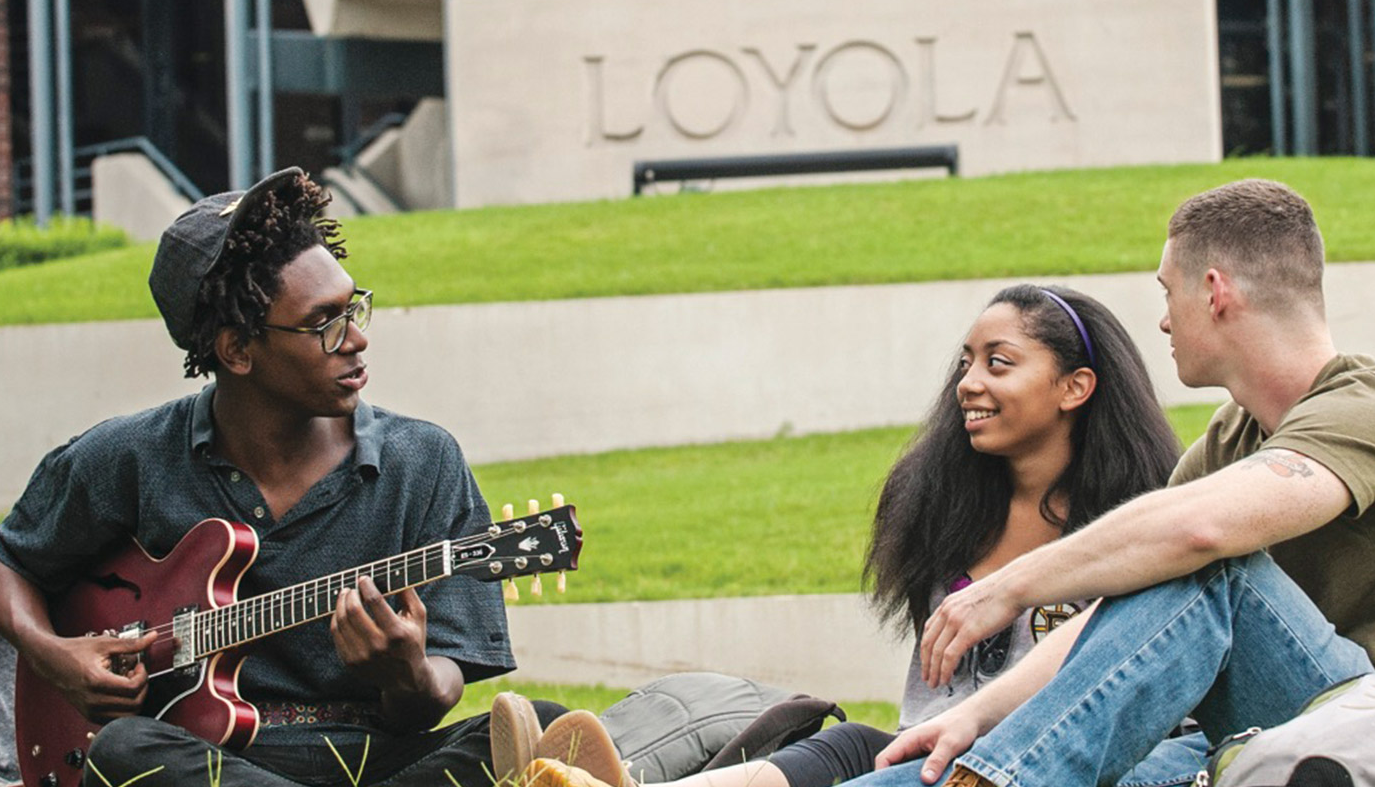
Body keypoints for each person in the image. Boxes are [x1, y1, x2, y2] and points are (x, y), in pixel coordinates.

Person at [855, 178, 1375, 787]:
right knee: (992, 754)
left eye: (1168, 293)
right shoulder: (1231, 439)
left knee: (1211, 567)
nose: (1164, 321)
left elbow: (1201, 537)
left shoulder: (1374, 407)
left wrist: (1008, 588)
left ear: (1215, 292)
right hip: (1279, 735)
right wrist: (979, 715)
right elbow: (1123, 615)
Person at [0, 167, 562, 787]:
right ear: (237, 350)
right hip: (207, 762)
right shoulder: (133, 455)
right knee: (123, 750)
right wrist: (55, 656)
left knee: (546, 729)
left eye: (354, 307)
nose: (357, 338)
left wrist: (407, 673)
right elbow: (8, 560)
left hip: (369, 757)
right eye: (324, 323)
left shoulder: (422, 460)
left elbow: (432, 696)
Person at [503, 285, 1200, 787]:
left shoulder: (1138, 522)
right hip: (923, 751)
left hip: (1051, 763)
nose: (968, 382)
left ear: (1075, 388)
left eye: (999, 362)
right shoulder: (942, 503)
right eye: (966, 361)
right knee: (846, 745)